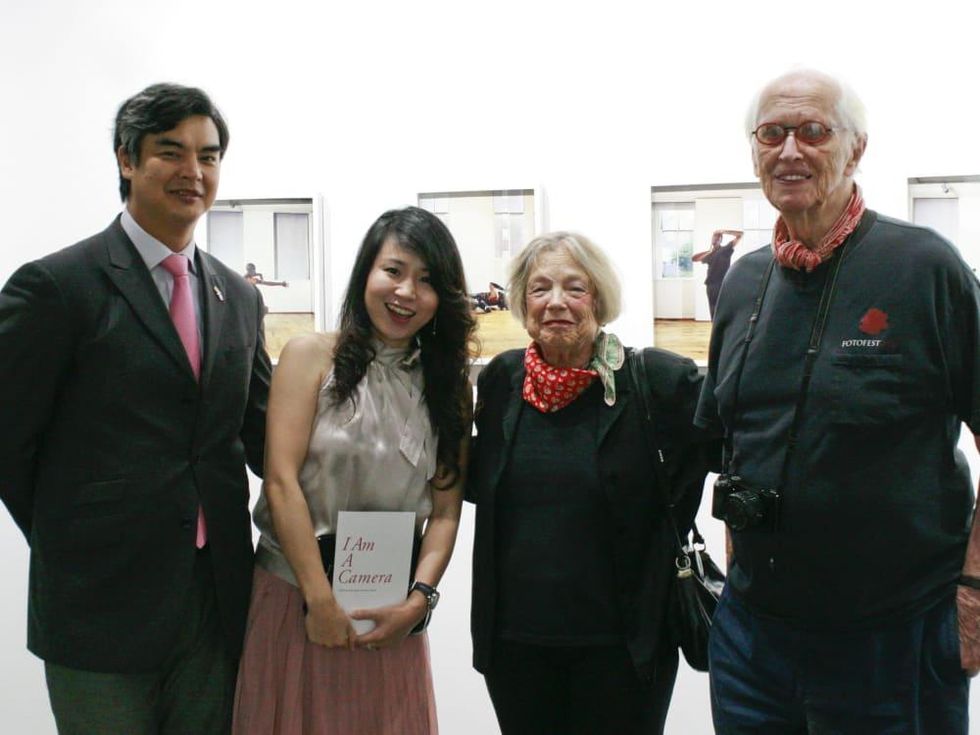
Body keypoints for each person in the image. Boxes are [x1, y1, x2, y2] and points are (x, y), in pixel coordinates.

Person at [696, 69, 980, 734]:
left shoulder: (925, 268)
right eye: (772, 134)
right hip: (752, 641)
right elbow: (736, 438)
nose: (789, 150)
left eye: (813, 132)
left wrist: (973, 596)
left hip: (893, 638)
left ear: (856, 149)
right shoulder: (744, 281)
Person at [0, 83, 271, 733]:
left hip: (214, 604)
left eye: (208, 156)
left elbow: (267, 437)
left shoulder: (239, 298)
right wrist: (75, 538)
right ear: (127, 159)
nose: (193, 172)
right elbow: (8, 441)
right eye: (170, 152)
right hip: (98, 604)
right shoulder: (56, 287)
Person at [232, 206, 475, 734]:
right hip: (294, 598)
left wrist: (419, 602)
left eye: (427, 281)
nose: (407, 292)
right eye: (394, 271)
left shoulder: (449, 386)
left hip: (388, 613)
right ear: (367, 272)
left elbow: (445, 513)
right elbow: (280, 481)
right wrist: (319, 598)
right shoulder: (308, 355)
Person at [467, 232, 717, 734]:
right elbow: (478, 481)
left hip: (626, 648)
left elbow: (723, 452)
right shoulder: (502, 380)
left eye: (574, 287)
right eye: (540, 288)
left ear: (599, 299)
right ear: (522, 303)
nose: (556, 301)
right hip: (516, 646)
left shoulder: (657, 381)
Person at [692, 229, 742, 318]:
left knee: (723, 309)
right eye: (714, 236)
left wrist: (723, 231)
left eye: (718, 237)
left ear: (721, 240)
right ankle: (715, 326)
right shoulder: (710, 254)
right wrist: (709, 251)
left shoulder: (725, 249)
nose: (715, 238)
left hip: (722, 284)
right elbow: (694, 258)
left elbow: (740, 235)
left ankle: (723, 326)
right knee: (713, 310)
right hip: (711, 286)